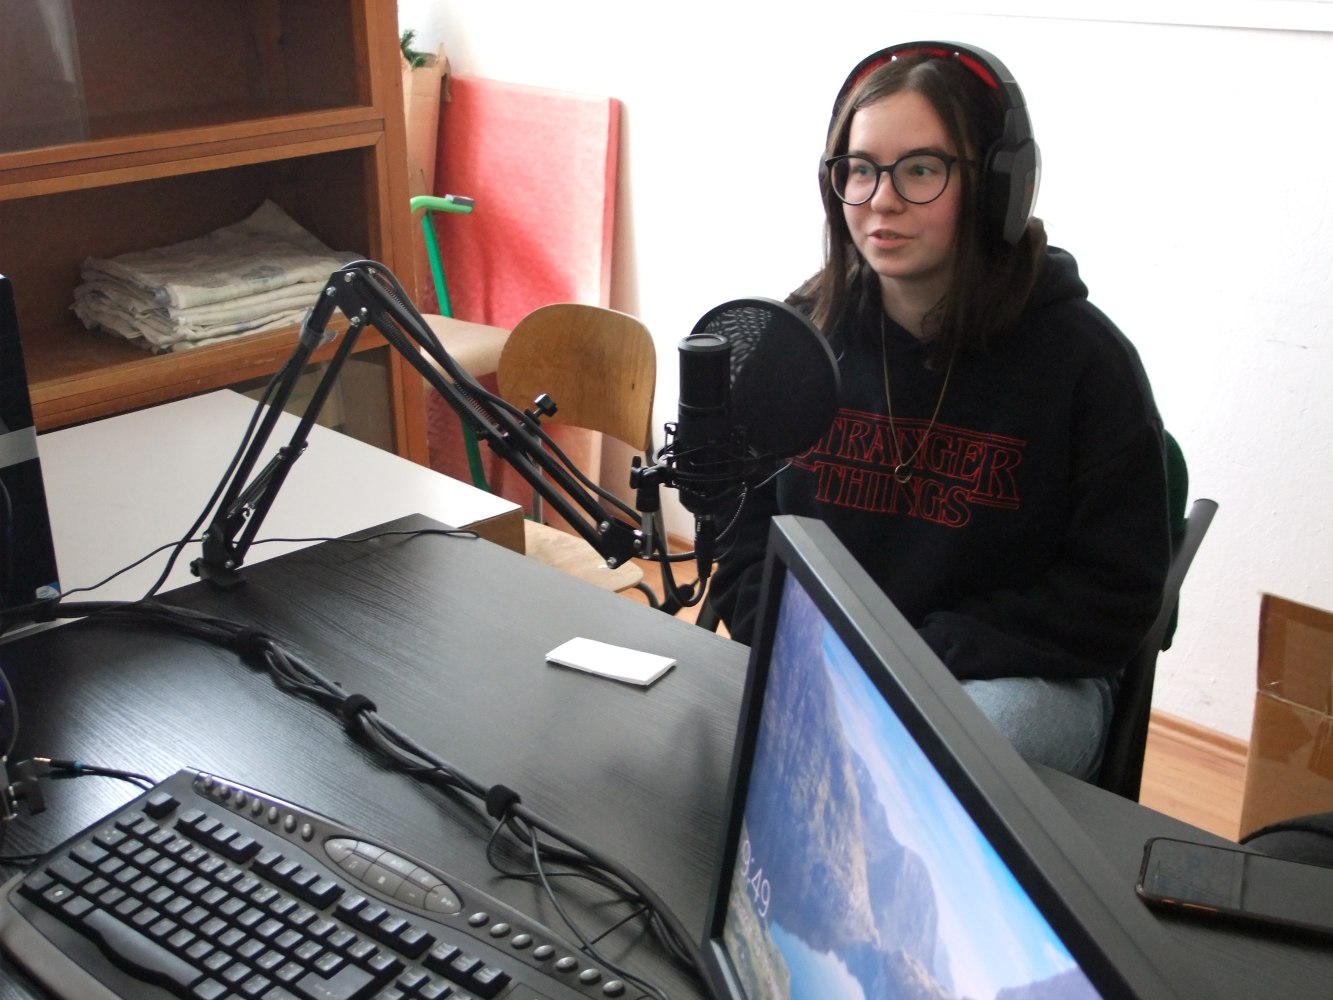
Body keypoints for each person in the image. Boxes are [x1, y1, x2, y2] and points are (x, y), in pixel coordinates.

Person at [708, 42, 1171, 780]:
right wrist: (802, 650)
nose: (880, 199)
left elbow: (1112, 595)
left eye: (920, 170)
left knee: (926, 764)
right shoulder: (798, 341)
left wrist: (921, 655)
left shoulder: (1085, 363)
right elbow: (742, 535)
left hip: (1007, 673)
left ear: (996, 188)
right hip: (832, 656)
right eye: (860, 169)